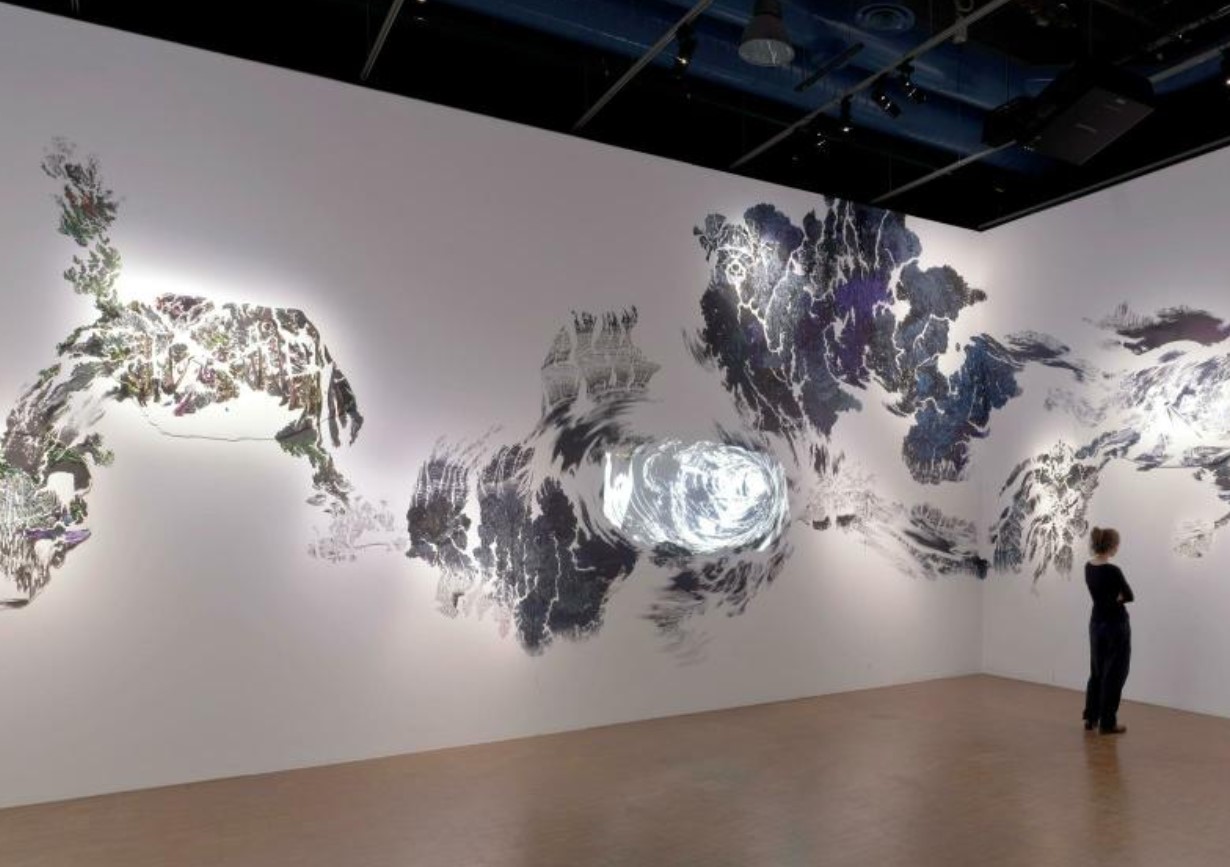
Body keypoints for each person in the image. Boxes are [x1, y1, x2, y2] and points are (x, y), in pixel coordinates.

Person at [1082, 527, 1134, 735]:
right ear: (1112, 546)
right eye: (1117, 545)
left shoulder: (1088, 567)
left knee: (1097, 671)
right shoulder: (1113, 570)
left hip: (1096, 623)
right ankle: (1108, 722)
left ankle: (1091, 717)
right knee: (1115, 673)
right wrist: (1116, 598)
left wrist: (1109, 598)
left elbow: (1100, 595)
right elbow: (1129, 595)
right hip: (1116, 625)